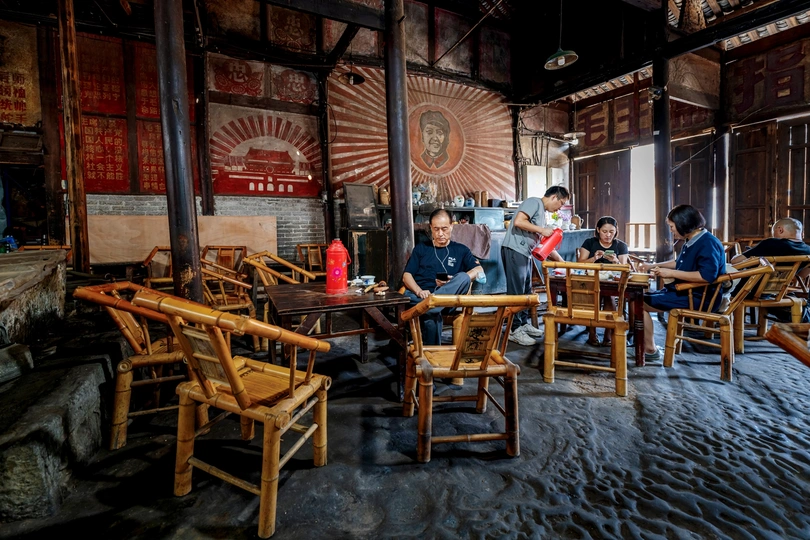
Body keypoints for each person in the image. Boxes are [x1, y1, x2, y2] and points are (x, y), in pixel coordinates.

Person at [637, 205, 725, 361]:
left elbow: (707, 276)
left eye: (672, 227)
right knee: (637, 296)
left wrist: (671, 273)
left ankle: (649, 349)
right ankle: (642, 343)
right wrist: (652, 265)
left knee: (638, 303)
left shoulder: (707, 243)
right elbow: (680, 262)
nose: (671, 230)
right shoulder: (693, 239)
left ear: (683, 223)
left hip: (699, 297)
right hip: (684, 292)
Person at [402, 208, 483, 345]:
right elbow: (407, 275)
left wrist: (453, 282)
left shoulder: (461, 250)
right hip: (421, 298)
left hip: (448, 301)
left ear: (451, 226)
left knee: (463, 277)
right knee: (431, 315)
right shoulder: (421, 248)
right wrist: (419, 291)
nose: (440, 234)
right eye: (436, 229)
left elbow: (479, 270)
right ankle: (432, 353)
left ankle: (433, 304)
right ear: (431, 228)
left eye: (444, 229)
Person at [501, 185, 569, 346]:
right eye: (561, 203)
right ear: (554, 197)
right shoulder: (534, 202)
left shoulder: (542, 213)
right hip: (515, 250)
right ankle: (513, 330)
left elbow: (545, 245)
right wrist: (542, 230)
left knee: (525, 290)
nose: (559, 208)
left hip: (525, 253)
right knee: (516, 292)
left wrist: (563, 264)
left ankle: (523, 324)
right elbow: (518, 221)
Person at [577, 216, 629, 347]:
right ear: (598, 230)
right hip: (591, 279)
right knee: (593, 297)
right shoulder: (590, 243)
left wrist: (616, 261)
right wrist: (594, 258)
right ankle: (592, 332)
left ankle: (608, 333)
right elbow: (580, 264)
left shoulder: (621, 245)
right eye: (604, 231)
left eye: (611, 231)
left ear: (616, 231)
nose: (608, 235)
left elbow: (624, 268)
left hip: (612, 282)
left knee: (609, 297)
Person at [730, 217, 810, 279]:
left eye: (773, 232)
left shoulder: (771, 243)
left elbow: (735, 261)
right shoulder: (808, 250)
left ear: (780, 230)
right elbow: (802, 275)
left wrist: (737, 255)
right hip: (778, 291)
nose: (773, 235)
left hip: (748, 288)